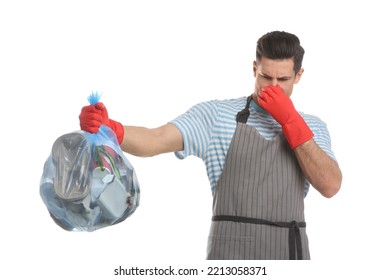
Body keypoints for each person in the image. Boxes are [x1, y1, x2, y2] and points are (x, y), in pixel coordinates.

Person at [79, 31, 342, 260]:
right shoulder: (217, 116)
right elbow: (156, 138)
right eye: (265, 77)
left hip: (288, 254)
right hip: (231, 256)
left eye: (283, 80)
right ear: (254, 69)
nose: (272, 87)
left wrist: (290, 120)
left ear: (298, 76)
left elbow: (330, 185)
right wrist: (112, 129)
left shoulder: (313, 128)